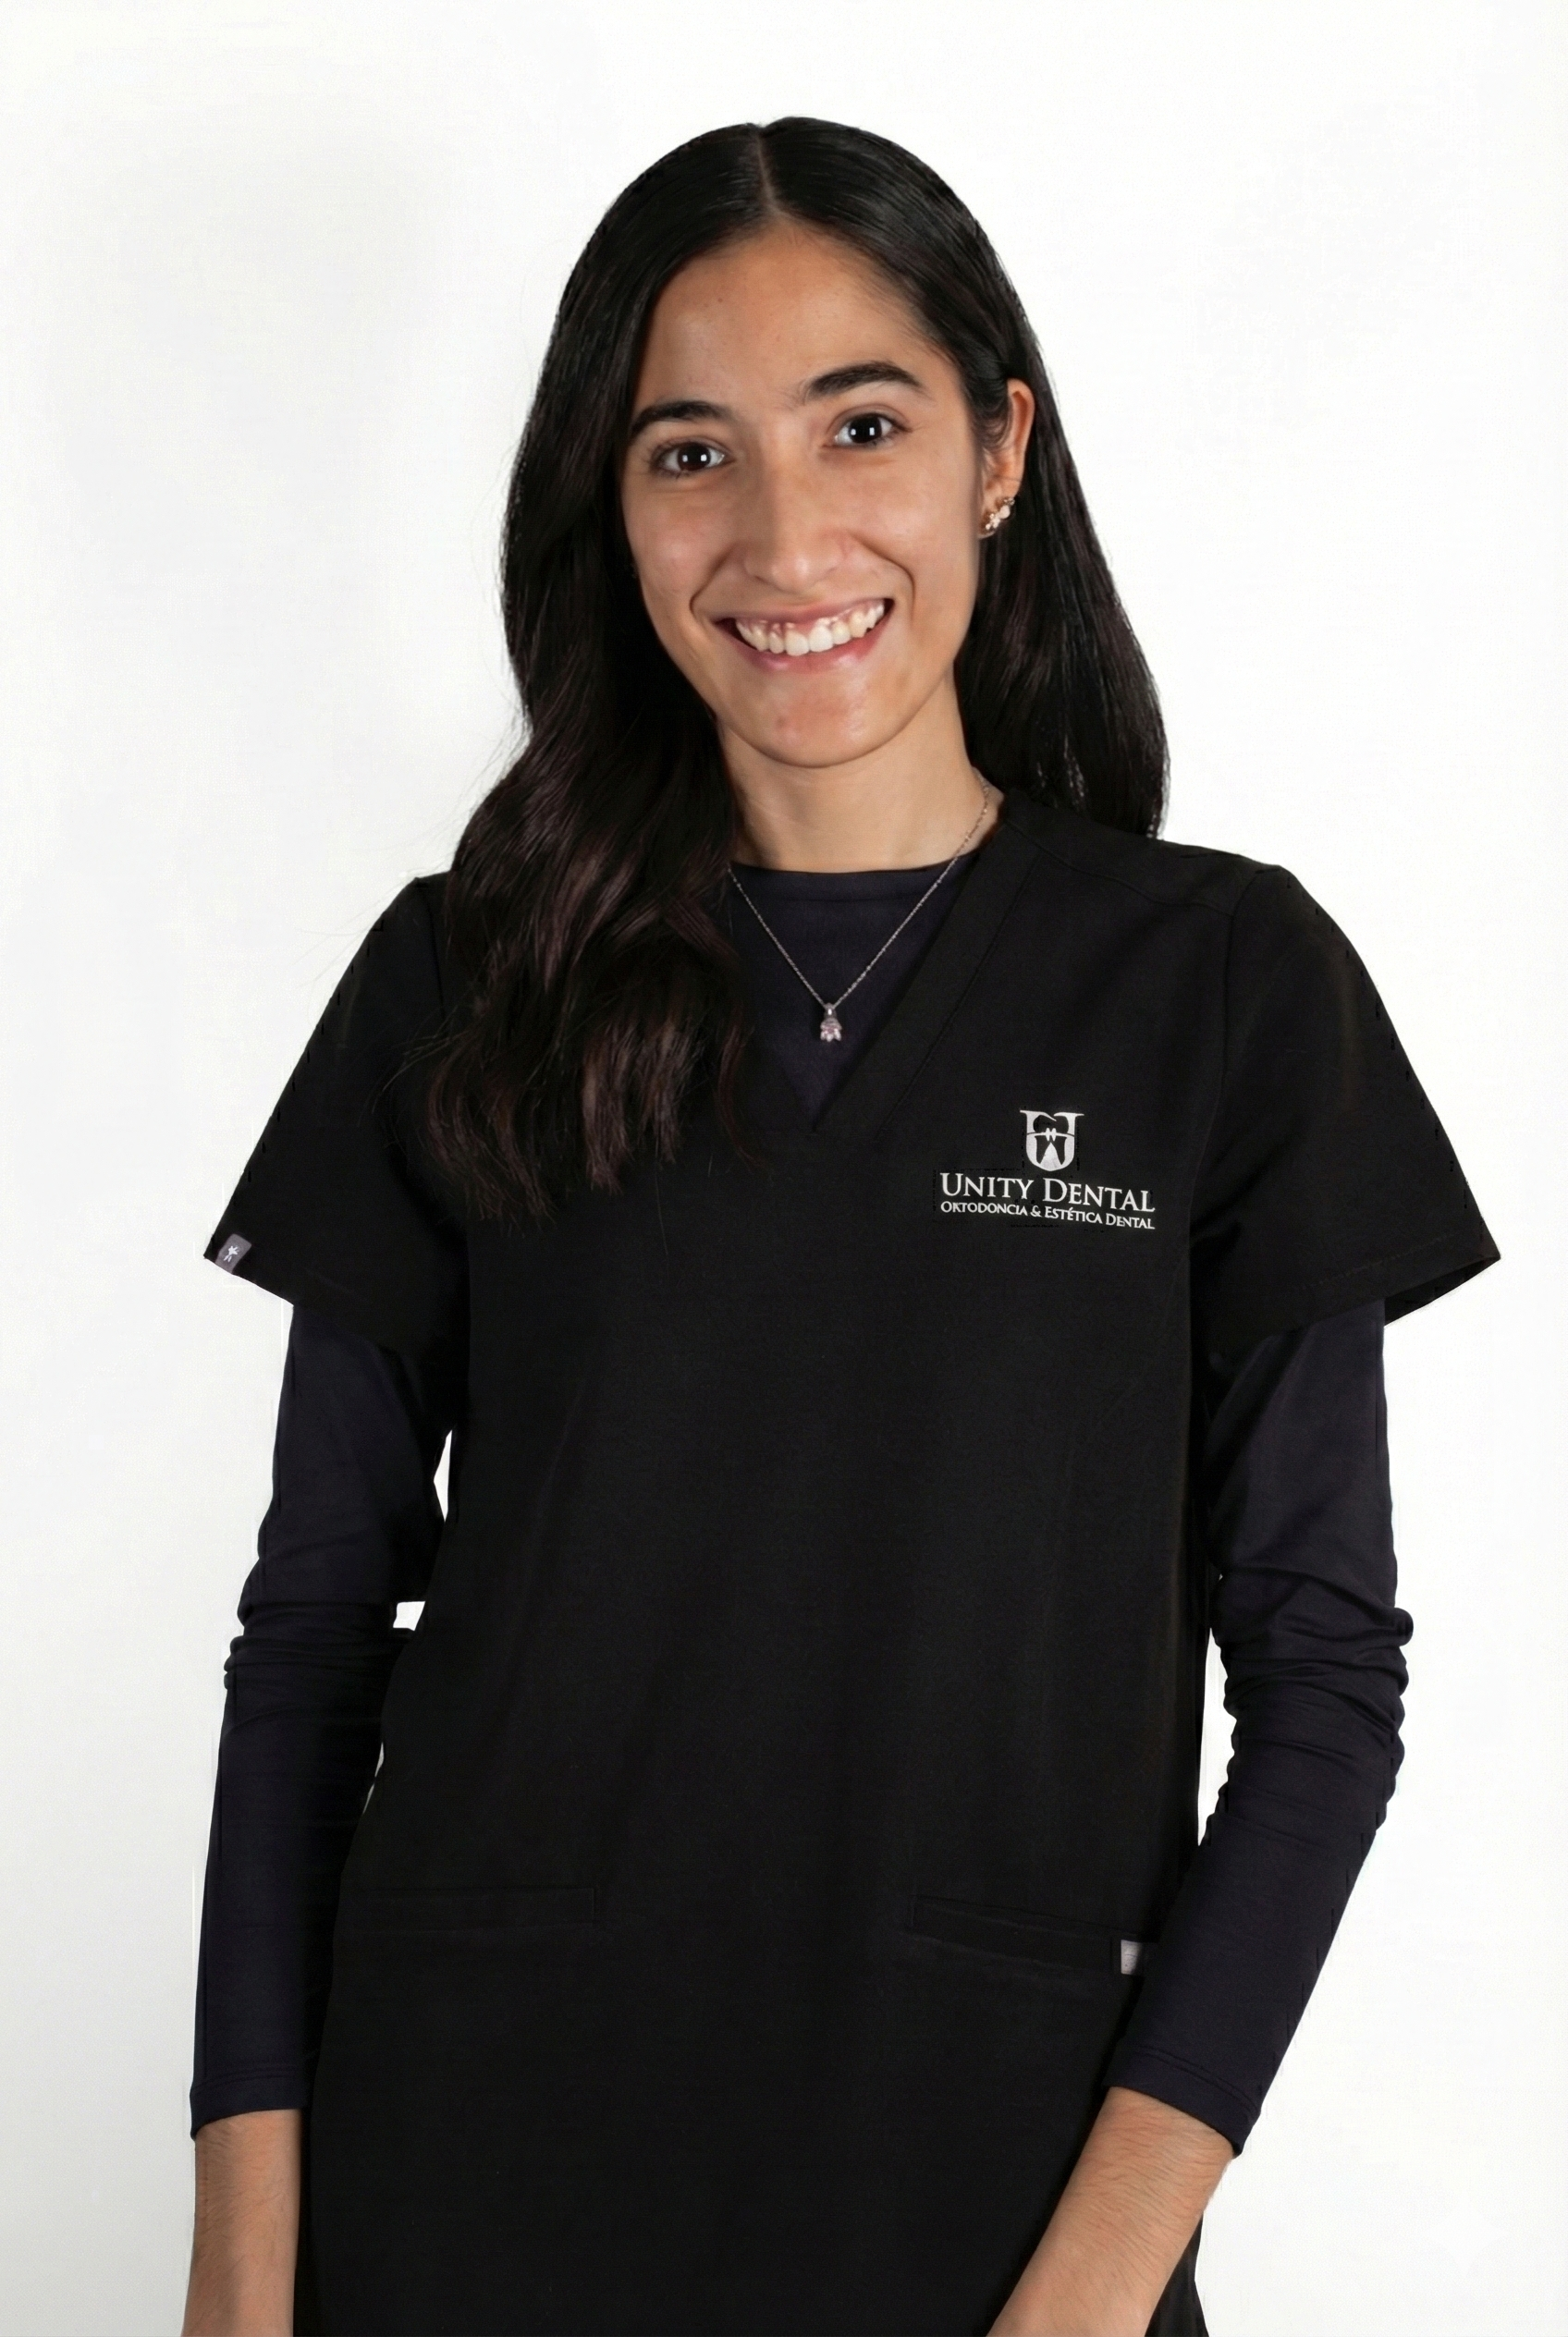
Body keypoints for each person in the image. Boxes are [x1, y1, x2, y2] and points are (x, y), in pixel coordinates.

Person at [181, 118, 1497, 2337]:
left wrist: (1088, 2295)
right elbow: (312, 1639)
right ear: (609, 511)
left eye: (858, 425)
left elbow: (1320, 1690)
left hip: (987, 2208)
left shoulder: (1220, 993)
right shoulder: (461, 976)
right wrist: (242, 2264)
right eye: (689, 452)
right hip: (464, 2192)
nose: (783, 535)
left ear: (996, 449)